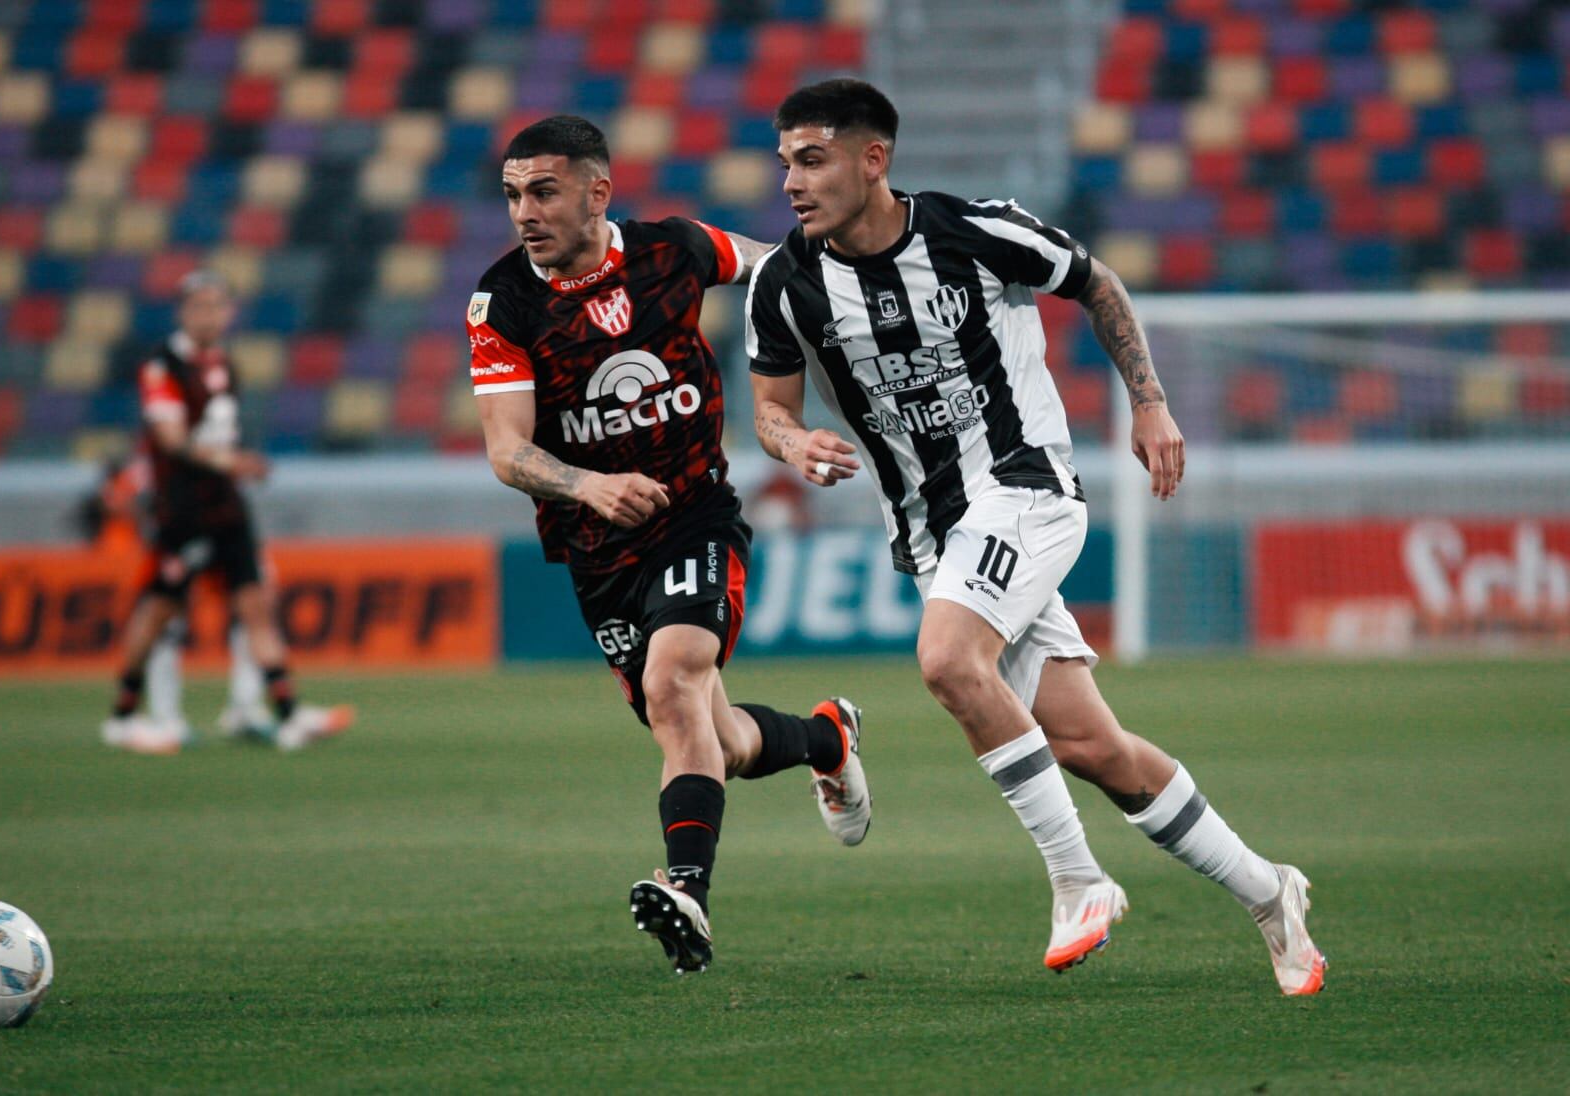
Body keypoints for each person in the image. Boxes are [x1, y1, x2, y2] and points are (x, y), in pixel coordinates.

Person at [746, 79, 1325, 995]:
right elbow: (770, 408)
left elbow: (1097, 283)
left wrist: (1150, 400)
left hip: (1026, 488)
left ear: (873, 159)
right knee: (1096, 751)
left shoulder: (974, 232)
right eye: (785, 164)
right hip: (935, 536)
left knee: (946, 661)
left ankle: (1078, 879)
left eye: (811, 160)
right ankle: (1268, 892)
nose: (792, 183)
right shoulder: (785, 284)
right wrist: (794, 442)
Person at [469, 115, 871, 974]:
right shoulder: (502, 302)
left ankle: (685, 887)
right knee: (709, 737)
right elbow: (507, 450)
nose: (524, 213)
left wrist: (846, 338)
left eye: (543, 191)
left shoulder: (677, 250)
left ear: (597, 192)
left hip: (694, 515)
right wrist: (588, 486)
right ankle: (827, 739)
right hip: (594, 546)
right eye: (512, 196)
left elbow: (780, 265)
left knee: (676, 676)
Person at [100, 271, 354, 755]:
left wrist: (234, 466)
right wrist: (232, 462)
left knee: (256, 602)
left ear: (230, 312)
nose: (209, 315)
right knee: (159, 611)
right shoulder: (163, 366)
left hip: (226, 507)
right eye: (199, 306)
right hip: (182, 511)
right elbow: (171, 440)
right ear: (182, 312)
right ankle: (124, 715)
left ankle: (287, 712)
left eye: (217, 306)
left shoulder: (224, 365)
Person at [78, 455, 274, 744]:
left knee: (251, 613)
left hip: (210, 545)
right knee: (167, 625)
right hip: (180, 547)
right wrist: (154, 525)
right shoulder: (159, 463)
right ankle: (162, 717)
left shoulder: (206, 456)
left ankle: (244, 707)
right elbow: (114, 499)